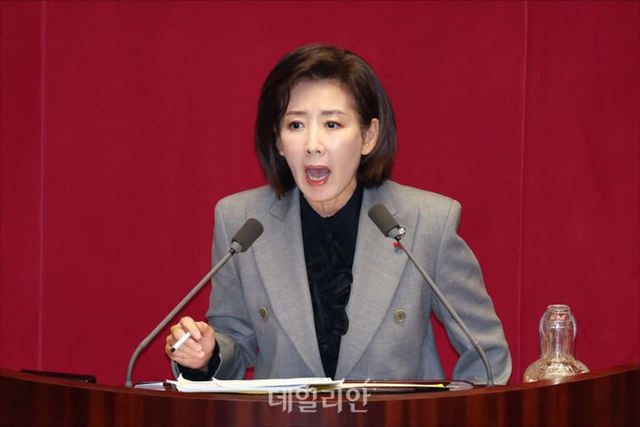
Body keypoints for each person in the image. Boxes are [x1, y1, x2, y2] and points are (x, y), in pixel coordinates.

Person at [165, 44, 512, 384]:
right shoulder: (242, 221)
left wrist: (457, 414)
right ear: (279, 141)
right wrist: (206, 354)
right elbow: (234, 344)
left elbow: (487, 355)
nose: (313, 145)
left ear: (368, 136)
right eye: (296, 125)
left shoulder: (427, 221)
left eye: (332, 124)